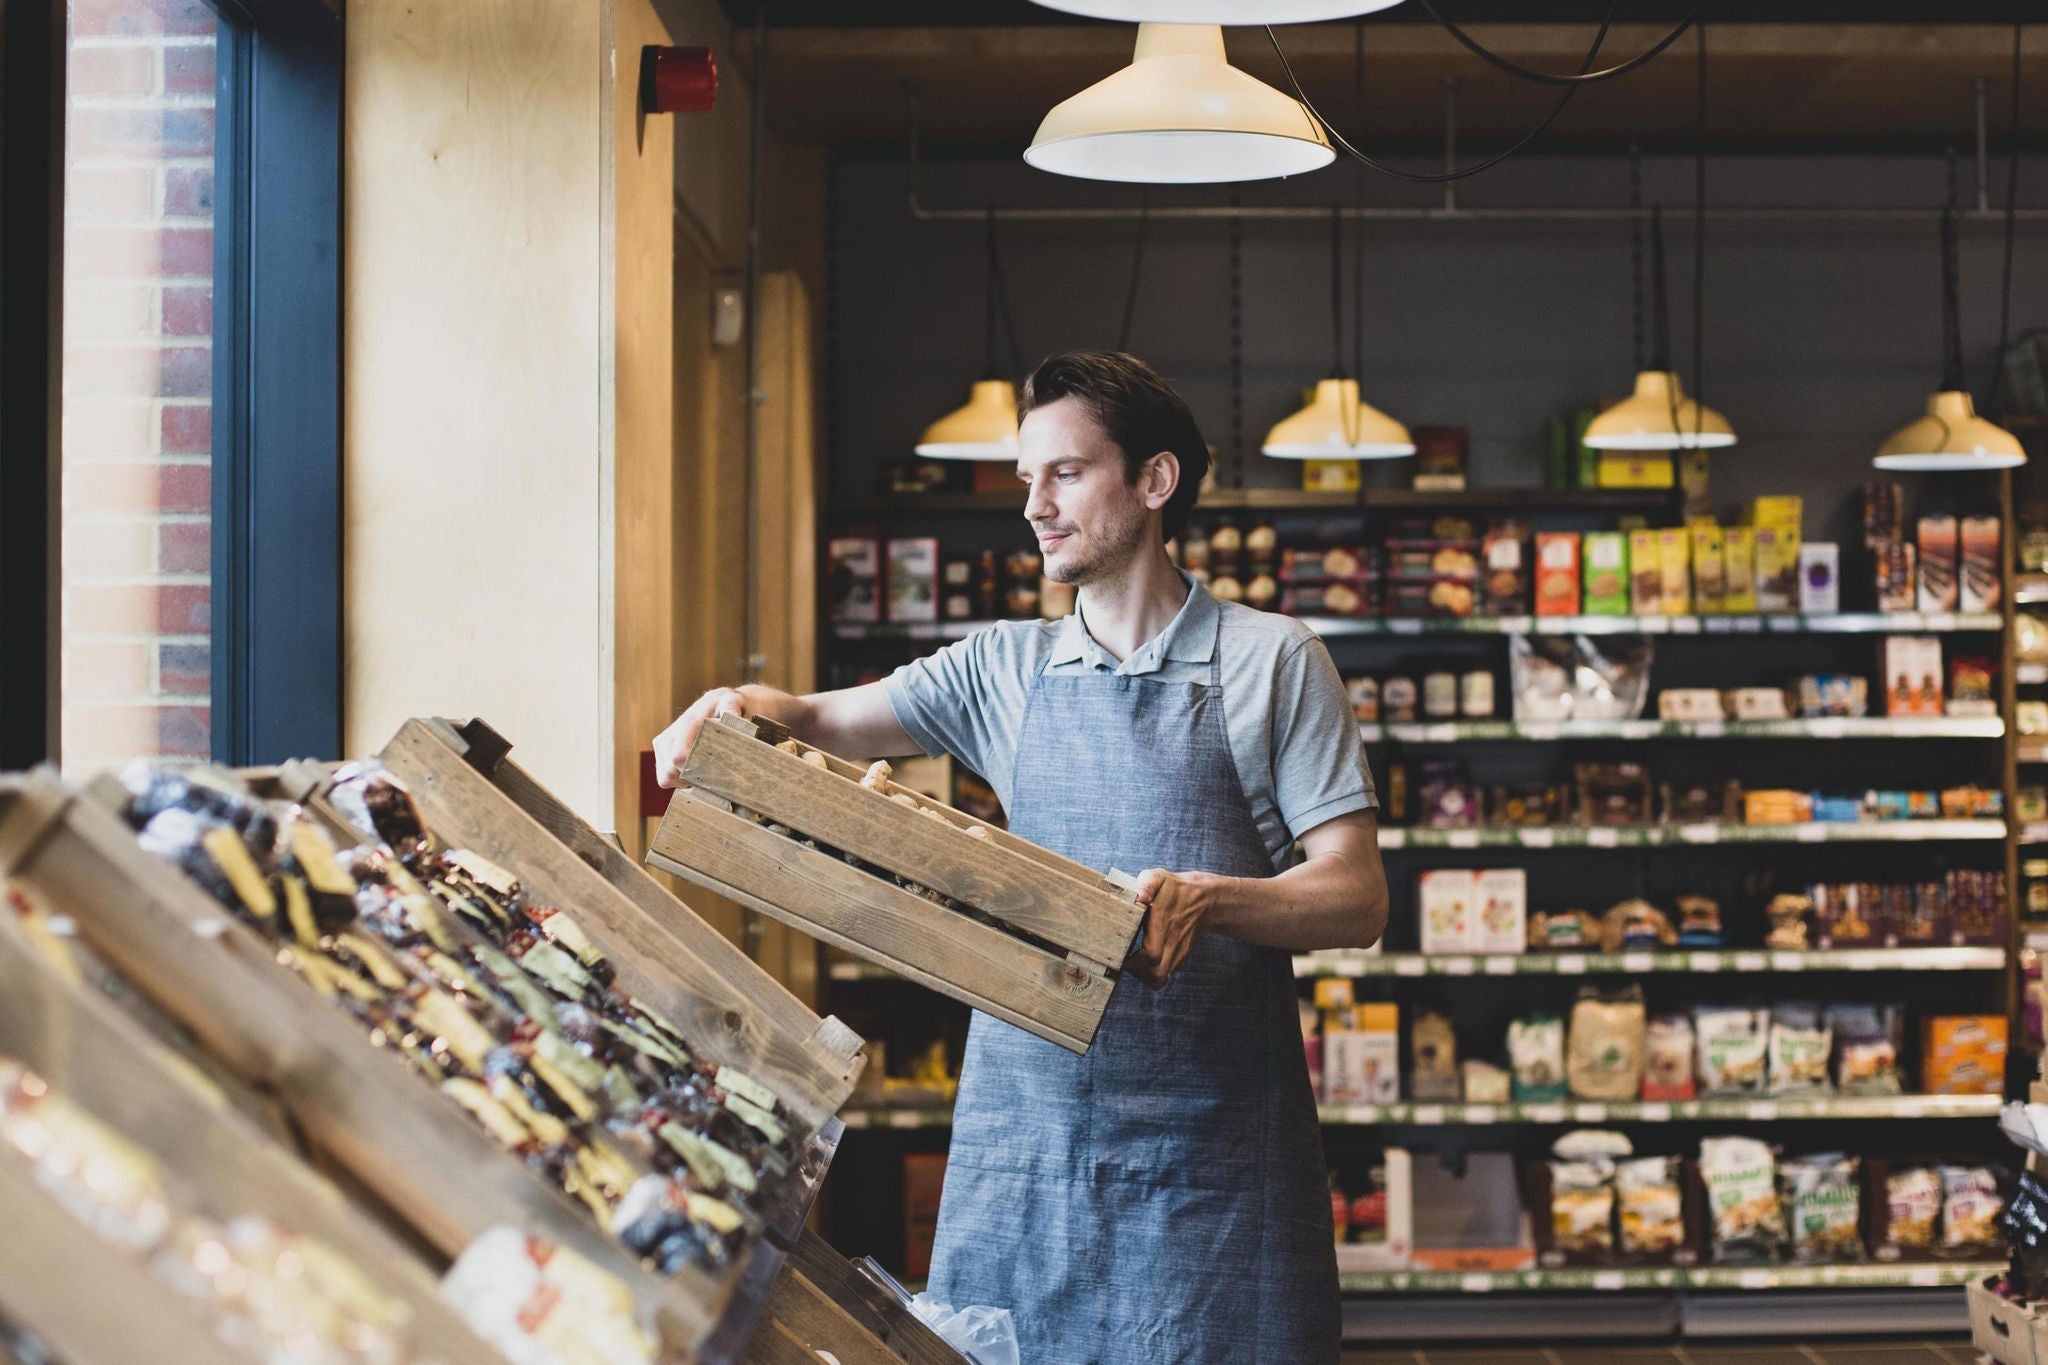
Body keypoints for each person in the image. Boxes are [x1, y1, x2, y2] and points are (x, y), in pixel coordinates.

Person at [654, 350, 1388, 1363]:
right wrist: (731, 707)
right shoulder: (1001, 666)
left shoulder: (1270, 660)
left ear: (1153, 481)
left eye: (1065, 474)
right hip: (1029, 1147)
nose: (1035, 507)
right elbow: (814, 717)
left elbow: (1354, 894)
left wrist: (1209, 900)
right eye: (1025, 481)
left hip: (1214, 1155)